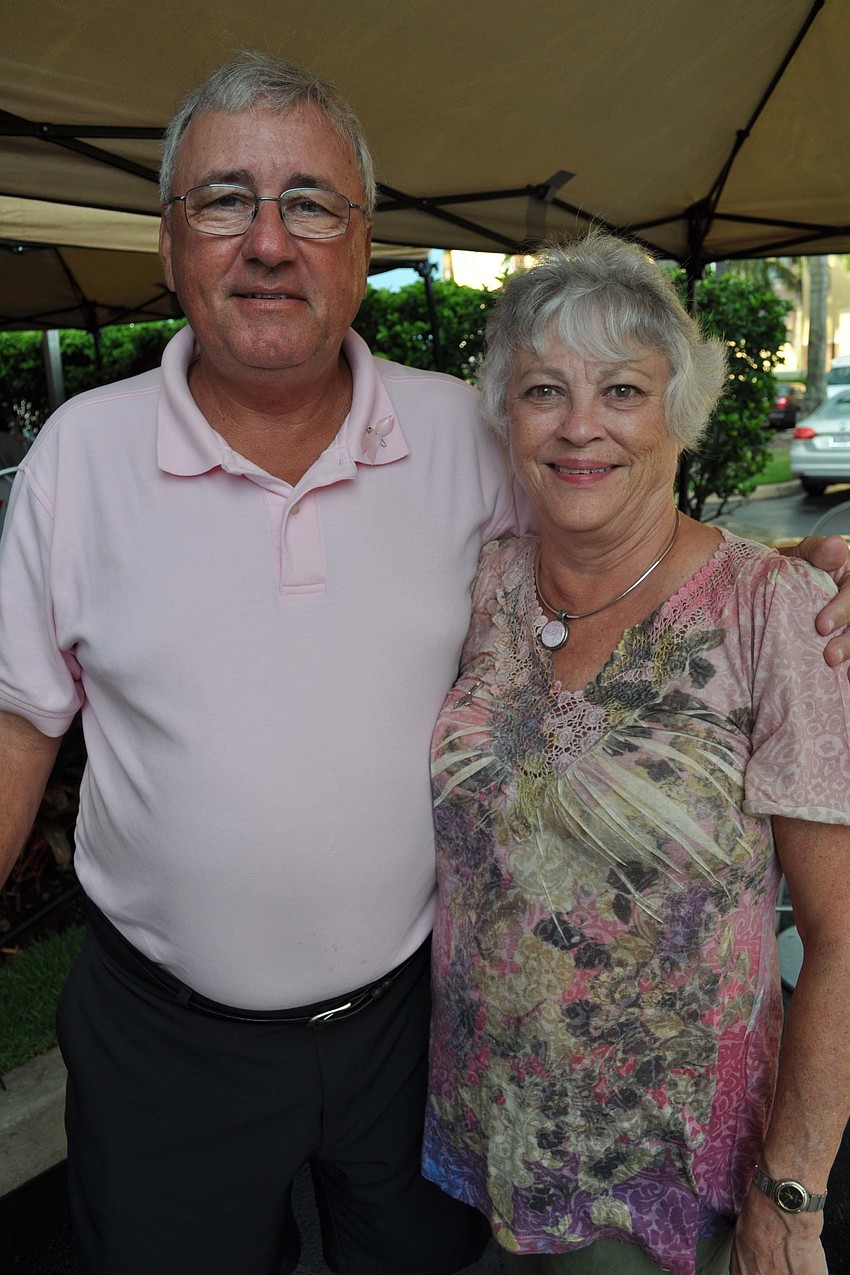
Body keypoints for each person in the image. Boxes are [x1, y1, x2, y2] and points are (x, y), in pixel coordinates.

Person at [0, 56, 846, 1275]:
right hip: (167, 1043)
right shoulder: (78, 458)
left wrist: (829, 557)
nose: (270, 241)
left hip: (415, 1038)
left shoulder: (462, 430)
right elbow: (21, 724)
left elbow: (616, 498)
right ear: (171, 239)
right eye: (226, 200)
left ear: (361, 241)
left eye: (312, 204)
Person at [423, 234, 850, 1275]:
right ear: (504, 415)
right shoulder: (484, 586)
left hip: (668, 1179)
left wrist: (790, 1196)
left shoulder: (773, 612)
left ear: (678, 412)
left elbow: (842, 937)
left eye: (621, 389)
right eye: (542, 391)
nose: (579, 427)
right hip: (479, 1140)